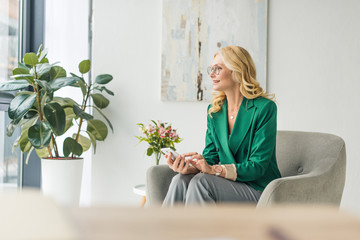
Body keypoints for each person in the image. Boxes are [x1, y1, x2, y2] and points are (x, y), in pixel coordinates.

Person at [162, 45, 281, 206]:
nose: (211, 74)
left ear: (237, 71)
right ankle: (164, 231)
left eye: (218, 69)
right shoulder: (215, 111)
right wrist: (191, 168)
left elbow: (258, 166)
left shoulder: (264, 108)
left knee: (201, 183)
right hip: (226, 184)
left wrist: (216, 170)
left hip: (258, 189)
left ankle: (200, 232)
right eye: (211, 68)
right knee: (180, 180)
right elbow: (211, 157)